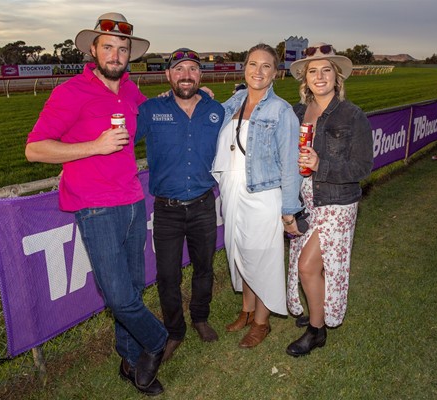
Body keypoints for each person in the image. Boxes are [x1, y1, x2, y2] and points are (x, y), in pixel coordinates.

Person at [25, 12, 167, 396]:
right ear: (94, 49)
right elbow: (34, 149)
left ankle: (128, 359)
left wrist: (190, 95)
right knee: (119, 297)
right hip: (95, 207)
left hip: (134, 202)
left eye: (123, 49)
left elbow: (154, 112)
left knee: (133, 290)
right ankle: (157, 342)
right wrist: (95, 147)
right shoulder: (70, 92)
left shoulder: (130, 92)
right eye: (109, 47)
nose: (116, 54)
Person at [135, 48, 225, 362]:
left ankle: (200, 317)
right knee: (168, 275)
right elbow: (119, 142)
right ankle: (174, 331)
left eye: (192, 69)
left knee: (204, 268)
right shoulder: (151, 109)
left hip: (203, 205)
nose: (186, 75)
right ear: (168, 75)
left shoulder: (217, 111)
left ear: (201, 76)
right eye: (179, 70)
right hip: (167, 211)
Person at [285, 43, 374, 357]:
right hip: (305, 199)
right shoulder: (296, 112)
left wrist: (322, 164)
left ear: (337, 78)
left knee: (308, 267)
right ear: (305, 78)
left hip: (337, 201)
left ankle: (316, 331)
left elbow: (363, 167)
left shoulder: (352, 115)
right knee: (305, 263)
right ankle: (315, 310)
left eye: (326, 71)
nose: (319, 76)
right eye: (313, 71)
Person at [212, 43, 303, 348]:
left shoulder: (281, 111)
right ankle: (248, 310)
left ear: (276, 73)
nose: (258, 71)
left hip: (264, 194)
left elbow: (290, 163)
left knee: (263, 257)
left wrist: (289, 210)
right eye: (253, 64)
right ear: (245, 67)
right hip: (231, 189)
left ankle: (262, 323)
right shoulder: (234, 101)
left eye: (266, 66)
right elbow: (206, 119)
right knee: (239, 252)